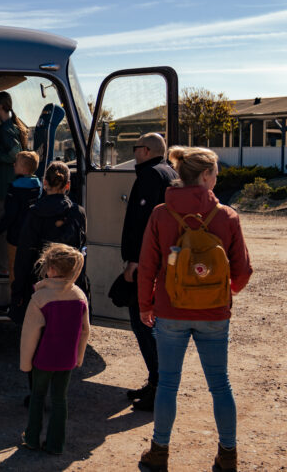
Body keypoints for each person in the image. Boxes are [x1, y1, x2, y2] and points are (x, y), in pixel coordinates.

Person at [137, 146, 252, 472]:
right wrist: (223, 292)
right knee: (220, 384)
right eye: (215, 172)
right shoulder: (228, 216)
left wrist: (146, 304)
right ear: (205, 176)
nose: (217, 177)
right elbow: (242, 270)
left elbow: (147, 266)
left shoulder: (161, 213)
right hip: (214, 313)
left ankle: (159, 453)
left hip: (170, 309)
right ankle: (227, 456)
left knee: (168, 384)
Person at [120, 133, 178, 412]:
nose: (134, 154)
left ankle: (159, 386)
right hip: (163, 261)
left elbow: (140, 223)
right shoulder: (170, 173)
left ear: (145, 150)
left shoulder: (150, 176)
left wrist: (133, 260)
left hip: (146, 262)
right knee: (151, 325)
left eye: (135, 148)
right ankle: (156, 381)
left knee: (142, 323)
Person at [20, 243, 90, 455]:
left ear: (51, 269)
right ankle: (55, 444)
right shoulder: (79, 296)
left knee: (38, 397)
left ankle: (32, 438)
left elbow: (30, 334)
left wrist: (25, 363)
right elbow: (85, 331)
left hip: (43, 359)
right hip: (66, 359)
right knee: (60, 399)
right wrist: (78, 357)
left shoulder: (40, 298)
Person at [13, 161, 87, 321]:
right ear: (67, 185)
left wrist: (18, 289)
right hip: (69, 285)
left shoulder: (34, 212)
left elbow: (23, 254)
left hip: (40, 282)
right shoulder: (77, 212)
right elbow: (81, 251)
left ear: (44, 183)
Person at [0, 91, 29, 277]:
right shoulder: (8, 126)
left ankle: (2, 265)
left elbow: (13, 154)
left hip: (4, 183)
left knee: (0, 225)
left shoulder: (5, 130)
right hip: (6, 182)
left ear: (0, 107)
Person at [0, 151, 42, 286]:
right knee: (30, 270)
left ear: (23, 168)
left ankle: (16, 301)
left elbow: (10, 215)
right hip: (33, 236)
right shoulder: (39, 185)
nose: (13, 165)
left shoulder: (14, 187)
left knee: (14, 270)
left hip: (15, 237)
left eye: (16, 163)